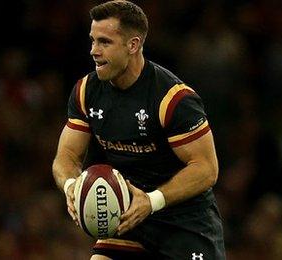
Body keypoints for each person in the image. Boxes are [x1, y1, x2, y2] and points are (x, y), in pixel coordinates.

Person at [52, 1, 225, 259]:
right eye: (92, 41)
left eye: (104, 42)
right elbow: (66, 157)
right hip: (128, 217)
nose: (93, 51)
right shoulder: (86, 92)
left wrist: (151, 200)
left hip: (183, 222)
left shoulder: (172, 99)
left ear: (133, 45)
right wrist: (70, 186)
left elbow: (206, 169)